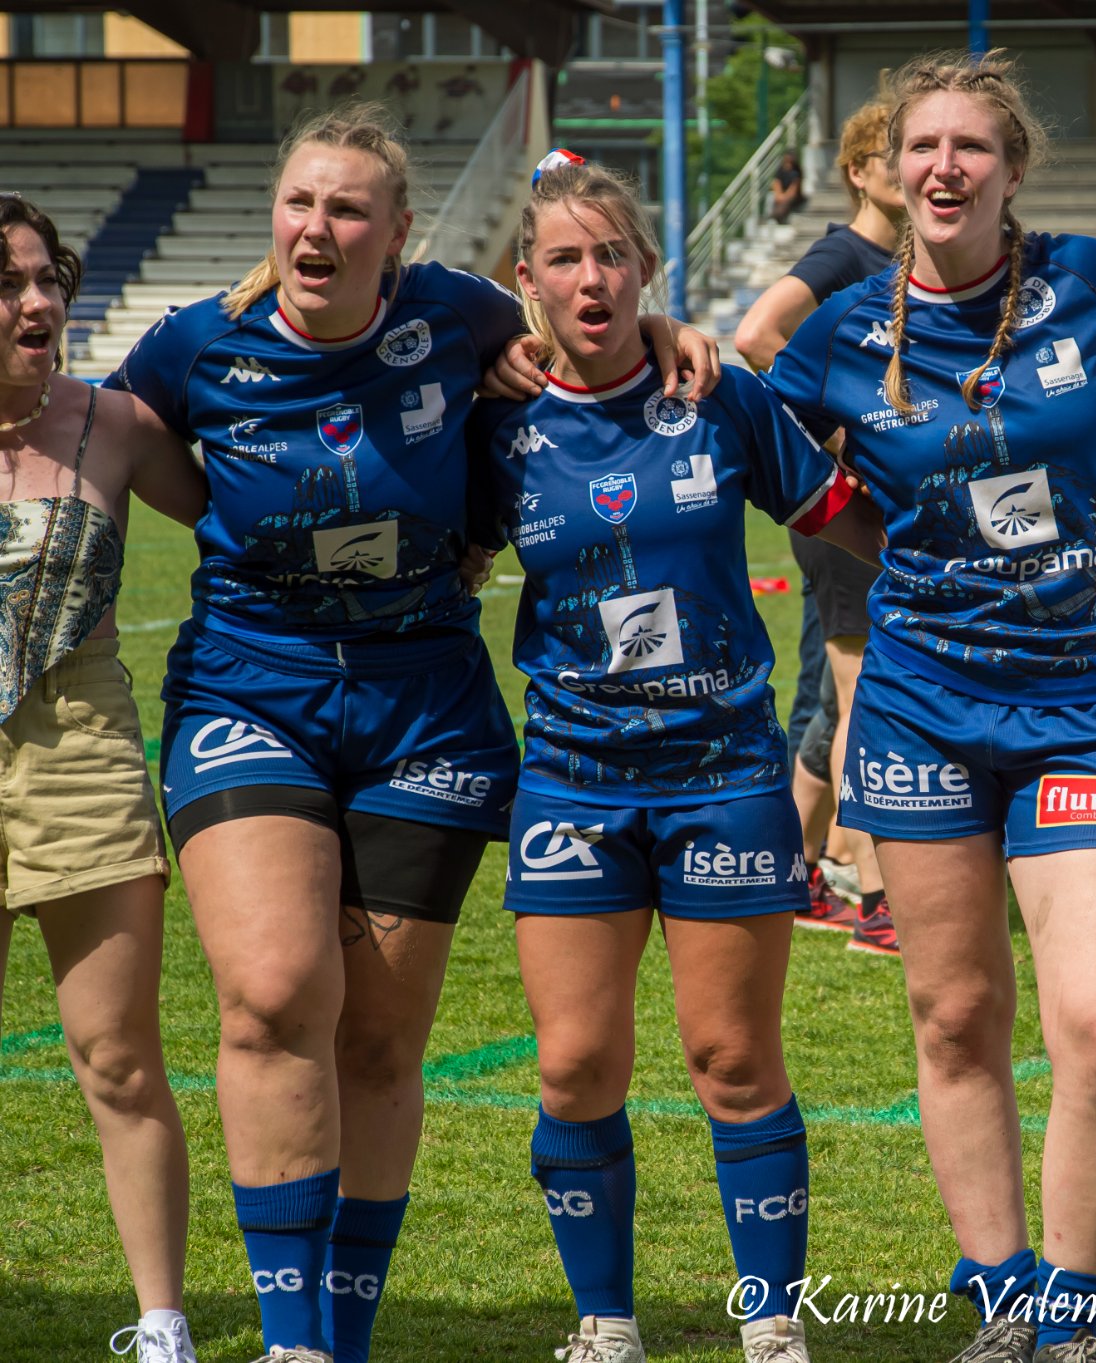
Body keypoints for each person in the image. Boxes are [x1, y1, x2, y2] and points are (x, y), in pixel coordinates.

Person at [102, 110, 718, 1363]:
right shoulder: (197, 340)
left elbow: (580, 329)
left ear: (396, 235)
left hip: (423, 704)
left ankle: (346, 1336)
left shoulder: (459, 315)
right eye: (299, 203)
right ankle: (291, 1342)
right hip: (250, 692)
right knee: (274, 993)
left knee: (380, 1037)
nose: (316, 228)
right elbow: (110, 431)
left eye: (346, 209)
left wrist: (665, 332)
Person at [761, 49, 1096, 1363]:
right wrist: (856, 527)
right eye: (922, 147)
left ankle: (1073, 1315)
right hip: (922, 707)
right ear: (891, 171)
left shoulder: (1093, 279)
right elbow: (755, 445)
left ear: (1013, 169)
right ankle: (1005, 1303)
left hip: (1087, 703)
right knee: (954, 1015)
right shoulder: (843, 328)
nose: (944, 167)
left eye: (972, 147)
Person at [474, 155, 878, 1363]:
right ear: (528, 278)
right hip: (573, 776)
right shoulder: (495, 421)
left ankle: (771, 1321)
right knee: (572, 1063)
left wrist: (958, 569)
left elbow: (844, 519)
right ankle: (604, 1322)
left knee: (732, 1056)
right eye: (563, 259)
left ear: (646, 267)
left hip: (726, 775)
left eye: (611, 255)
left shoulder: (718, 394)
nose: (590, 278)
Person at [0, 196, 207, 1363]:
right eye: (9, 285)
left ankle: (164, 1323)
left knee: (119, 1058)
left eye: (48, 279)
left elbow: (248, 524)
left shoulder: (116, 422)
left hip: (82, 755)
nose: (38, 302)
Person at [738, 100, 907, 948]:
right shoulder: (846, 254)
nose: (913, 168)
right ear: (858, 173)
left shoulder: (907, 259)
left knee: (827, 698)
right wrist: (844, 433)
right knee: (860, 694)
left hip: (869, 503)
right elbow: (756, 333)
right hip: (839, 503)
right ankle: (877, 902)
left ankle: (797, 871)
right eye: (894, 154)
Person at [771, 152, 808, 225]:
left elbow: (793, 190)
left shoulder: (796, 173)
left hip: (793, 198)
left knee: (785, 202)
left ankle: (777, 215)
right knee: (778, 201)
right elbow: (776, 184)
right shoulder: (780, 171)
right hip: (782, 196)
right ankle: (776, 215)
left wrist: (783, 197)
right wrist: (780, 195)